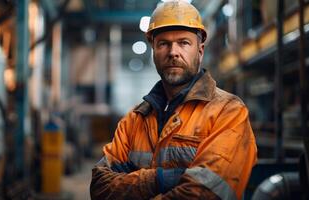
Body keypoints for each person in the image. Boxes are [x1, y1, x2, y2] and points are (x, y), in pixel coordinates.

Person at [90, 0, 257, 199]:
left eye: (184, 43)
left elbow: (204, 193)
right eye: (163, 44)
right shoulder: (135, 120)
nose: (173, 52)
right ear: (153, 51)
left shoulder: (228, 112)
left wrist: (134, 183)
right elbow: (100, 187)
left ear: (200, 51)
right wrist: (162, 179)